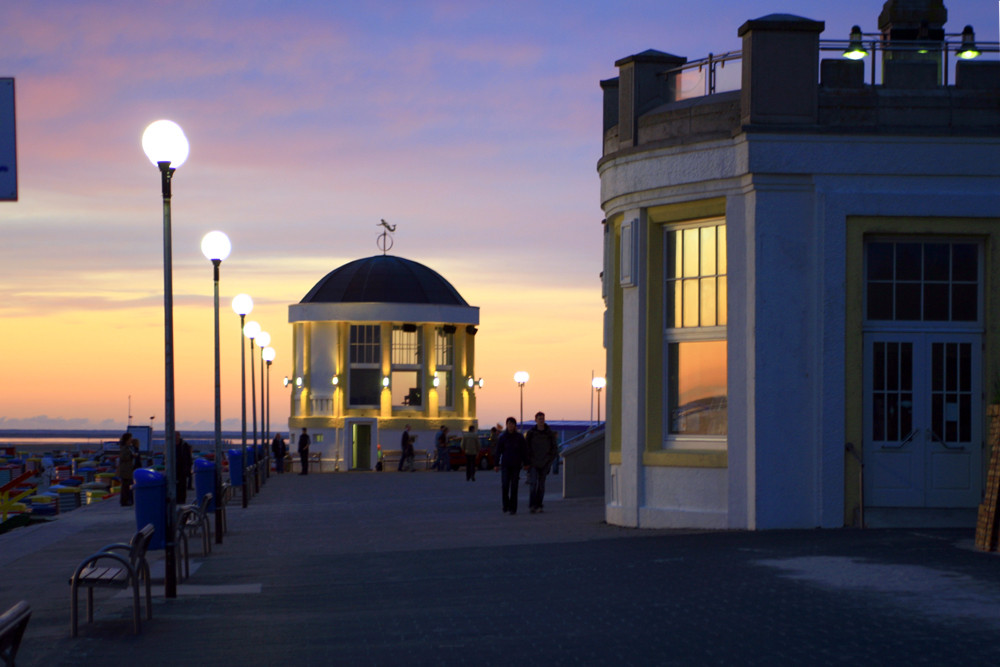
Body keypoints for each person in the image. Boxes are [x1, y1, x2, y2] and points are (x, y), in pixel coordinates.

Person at [525, 411, 559, 514]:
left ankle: (539, 505)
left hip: (545, 463)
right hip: (533, 463)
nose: (541, 421)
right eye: (539, 419)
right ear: (536, 420)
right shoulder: (531, 433)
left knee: (541, 486)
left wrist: (549, 460)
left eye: (542, 419)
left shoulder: (549, 433)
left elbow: (554, 448)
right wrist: (527, 462)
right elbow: (526, 448)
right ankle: (532, 505)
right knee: (533, 484)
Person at [495, 417, 527, 514]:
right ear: (507, 425)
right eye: (509, 424)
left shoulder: (519, 437)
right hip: (505, 465)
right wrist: (496, 464)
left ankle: (513, 508)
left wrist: (526, 463)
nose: (511, 426)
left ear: (515, 425)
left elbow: (524, 451)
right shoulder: (503, 437)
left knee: (514, 486)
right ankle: (506, 505)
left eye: (512, 424)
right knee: (505, 485)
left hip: (516, 465)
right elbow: (498, 452)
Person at [116, 432, 135, 507]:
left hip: (127, 470)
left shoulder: (127, 447)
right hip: (125, 470)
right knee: (125, 487)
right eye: (130, 439)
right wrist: (131, 456)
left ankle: (126, 500)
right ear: (127, 440)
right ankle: (124, 501)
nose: (131, 440)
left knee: (126, 486)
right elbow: (123, 457)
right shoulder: (124, 448)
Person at [175, 432, 193, 505]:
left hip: (183, 469)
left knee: (182, 485)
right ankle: (176, 499)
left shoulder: (184, 445)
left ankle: (182, 500)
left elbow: (188, 458)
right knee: (175, 485)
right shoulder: (171, 445)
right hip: (174, 469)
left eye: (176, 436)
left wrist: (188, 468)